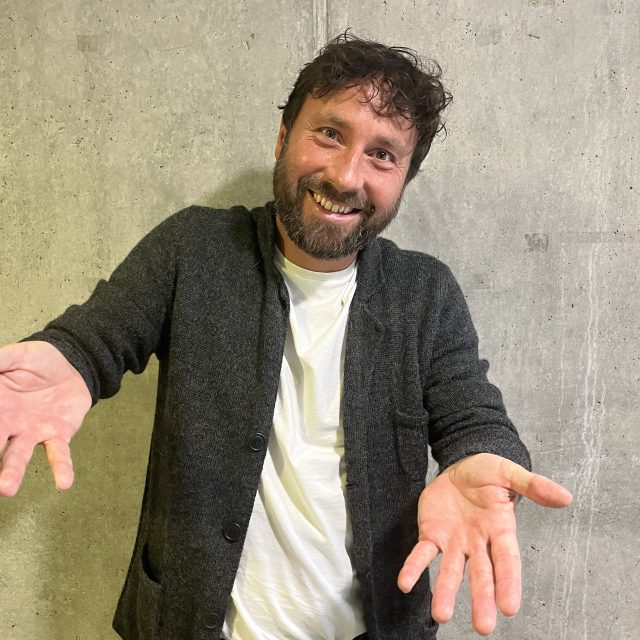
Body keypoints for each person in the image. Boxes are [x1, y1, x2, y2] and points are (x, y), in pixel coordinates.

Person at [0, 32, 572, 639]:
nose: (346, 176)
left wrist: (484, 457)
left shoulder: (424, 293)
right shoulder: (194, 250)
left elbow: (472, 417)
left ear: (405, 177)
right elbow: (95, 339)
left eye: (382, 155)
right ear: (283, 137)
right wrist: (65, 357)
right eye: (329, 133)